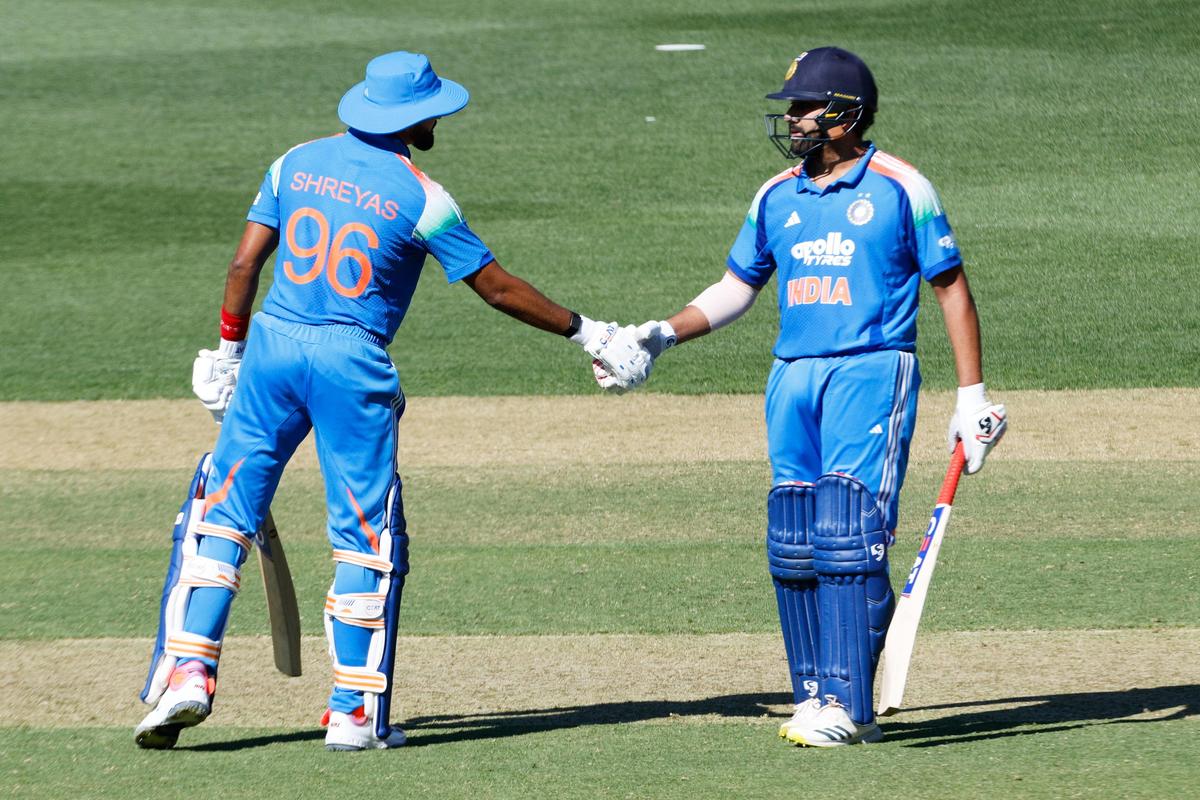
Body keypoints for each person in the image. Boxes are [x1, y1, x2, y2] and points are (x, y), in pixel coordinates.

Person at [135, 51, 651, 751]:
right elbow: (496, 288)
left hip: (274, 349)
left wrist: (228, 353)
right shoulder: (423, 197)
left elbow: (243, 263)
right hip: (352, 364)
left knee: (222, 513)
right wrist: (587, 331)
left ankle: (188, 673)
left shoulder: (294, 162)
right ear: (414, 116)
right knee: (364, 535)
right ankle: (353, 714)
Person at [597, 46, 1006, 746]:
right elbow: (734, 289)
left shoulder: (903, 187)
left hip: (871, 370)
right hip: (792, 375)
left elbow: (951, 288)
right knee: (795, 536)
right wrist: (659, 335)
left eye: (804, 106)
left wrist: (972, 396)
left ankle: (847, 705)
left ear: (845, 114)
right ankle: (815, 695)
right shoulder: (776, 195)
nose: (792, 119)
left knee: (849, 529)